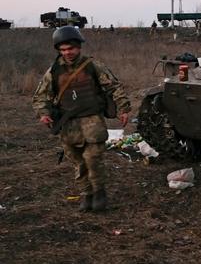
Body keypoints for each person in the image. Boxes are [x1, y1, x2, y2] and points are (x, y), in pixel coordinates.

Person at [32, 26, 131, 212]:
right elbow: (40, 96)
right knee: (78, 162)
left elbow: (114, 88)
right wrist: (43, 113)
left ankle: (100, 193)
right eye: (63, 50)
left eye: (70, 48)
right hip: (68, 125)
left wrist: (124, 109)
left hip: (92, 121)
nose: (67, 53)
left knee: (93, 159)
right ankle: (86, 194)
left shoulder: (93, 66)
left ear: (78, 47)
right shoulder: (53, 72)